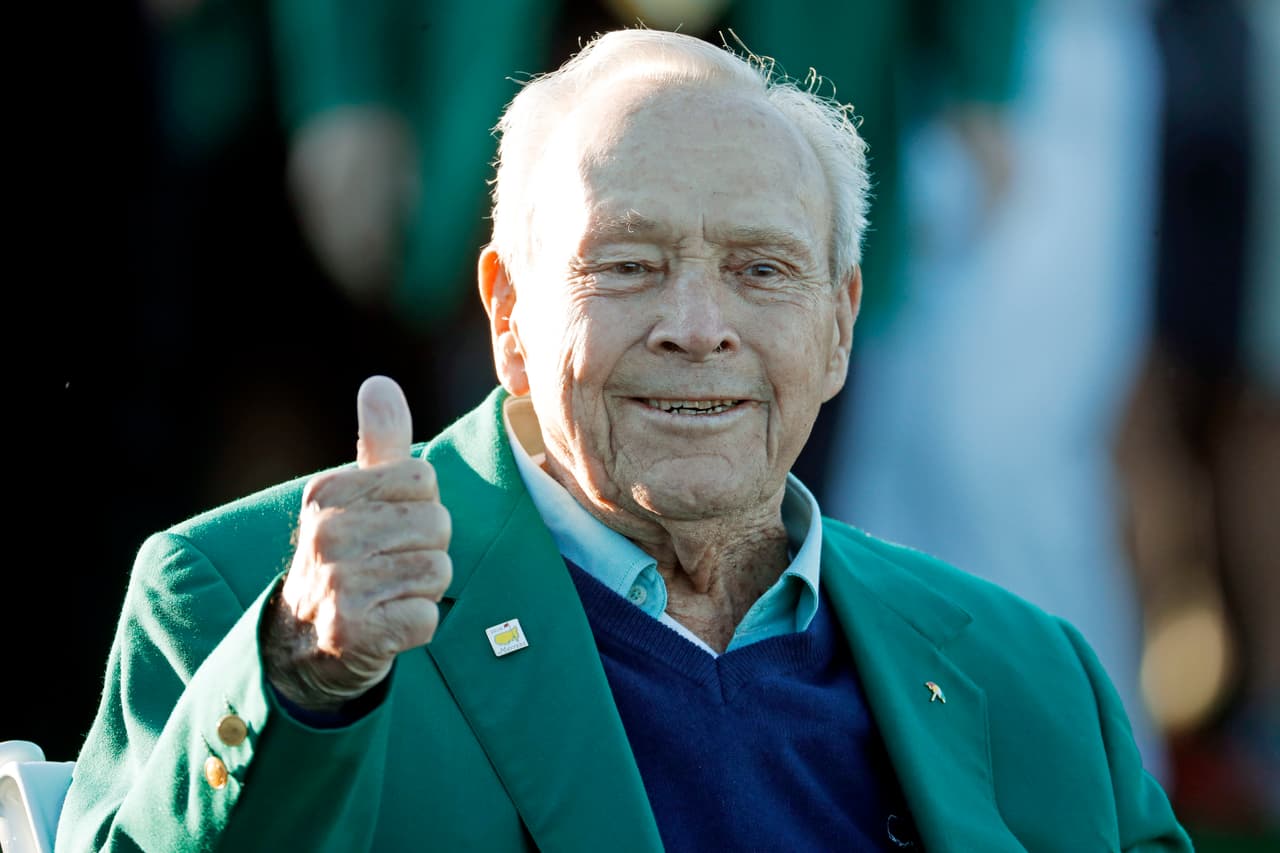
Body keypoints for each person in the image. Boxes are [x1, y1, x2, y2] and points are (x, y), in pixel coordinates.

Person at [56, 28, 1192, 852]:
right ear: (505, 310)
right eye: (628, 265)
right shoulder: (254, 609)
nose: (698, 329)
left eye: (760, 270)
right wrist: (304, 679)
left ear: (840, 323)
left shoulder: (1028, 672)